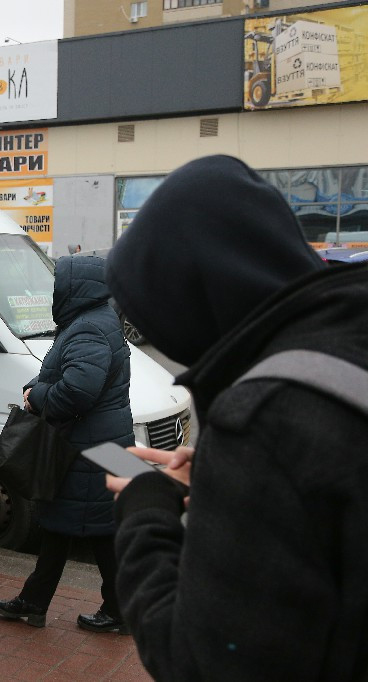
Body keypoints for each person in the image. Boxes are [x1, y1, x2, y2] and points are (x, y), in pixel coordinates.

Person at [105, 155, 368, 681]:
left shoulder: (261, 423)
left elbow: (199, 662)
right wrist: (223, 474)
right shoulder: (347, 336)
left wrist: (146, 509)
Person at [0, 254, 133, 634]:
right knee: (65, 525)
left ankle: (118, 610)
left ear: (74, 289)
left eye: (58, 284)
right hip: (94, 443)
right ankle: (36, 602)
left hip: (87, 447)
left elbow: (77, 393)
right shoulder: (95, 320)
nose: (53, 291)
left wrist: (36, 397)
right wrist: (37, 388)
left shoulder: (88, 328)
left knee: (95, 531)